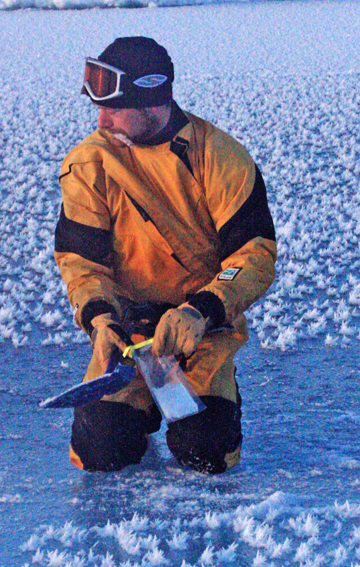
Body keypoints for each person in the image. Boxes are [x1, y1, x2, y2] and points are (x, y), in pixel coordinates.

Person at [54, 36, 277, 474]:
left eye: (114, 109)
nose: (101, 120)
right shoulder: (88, 163)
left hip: (199, 331)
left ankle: (217, 394)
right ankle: (135, 402)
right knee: (100, 451)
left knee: (206, 452)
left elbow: (254, 256)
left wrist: (202, 310)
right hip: (126, 337)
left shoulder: (220, 158)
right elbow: (82, 263)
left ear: (152, 104)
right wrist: (99, 318)